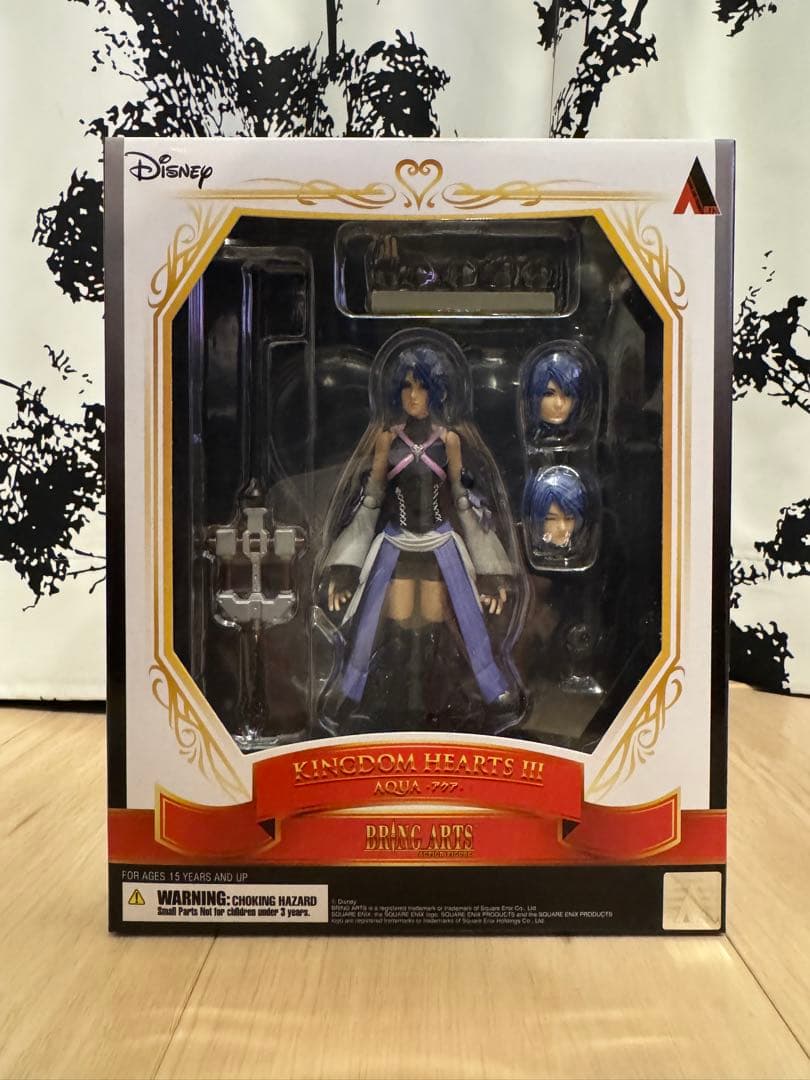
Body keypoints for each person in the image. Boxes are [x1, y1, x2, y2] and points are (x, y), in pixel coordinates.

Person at [318, 331, 525, 734]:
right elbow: (371, 501)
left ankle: (485, 691)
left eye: (422, 387)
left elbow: (464, 502)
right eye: (407, 387)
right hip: (395, 541)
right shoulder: (385, 440)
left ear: (436, 392)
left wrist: (490, 571)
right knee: (374, 620)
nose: (413, 396)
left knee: (456, 619)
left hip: (440, 540)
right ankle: (355, 691)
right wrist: (344, 567)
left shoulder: (449, 441)